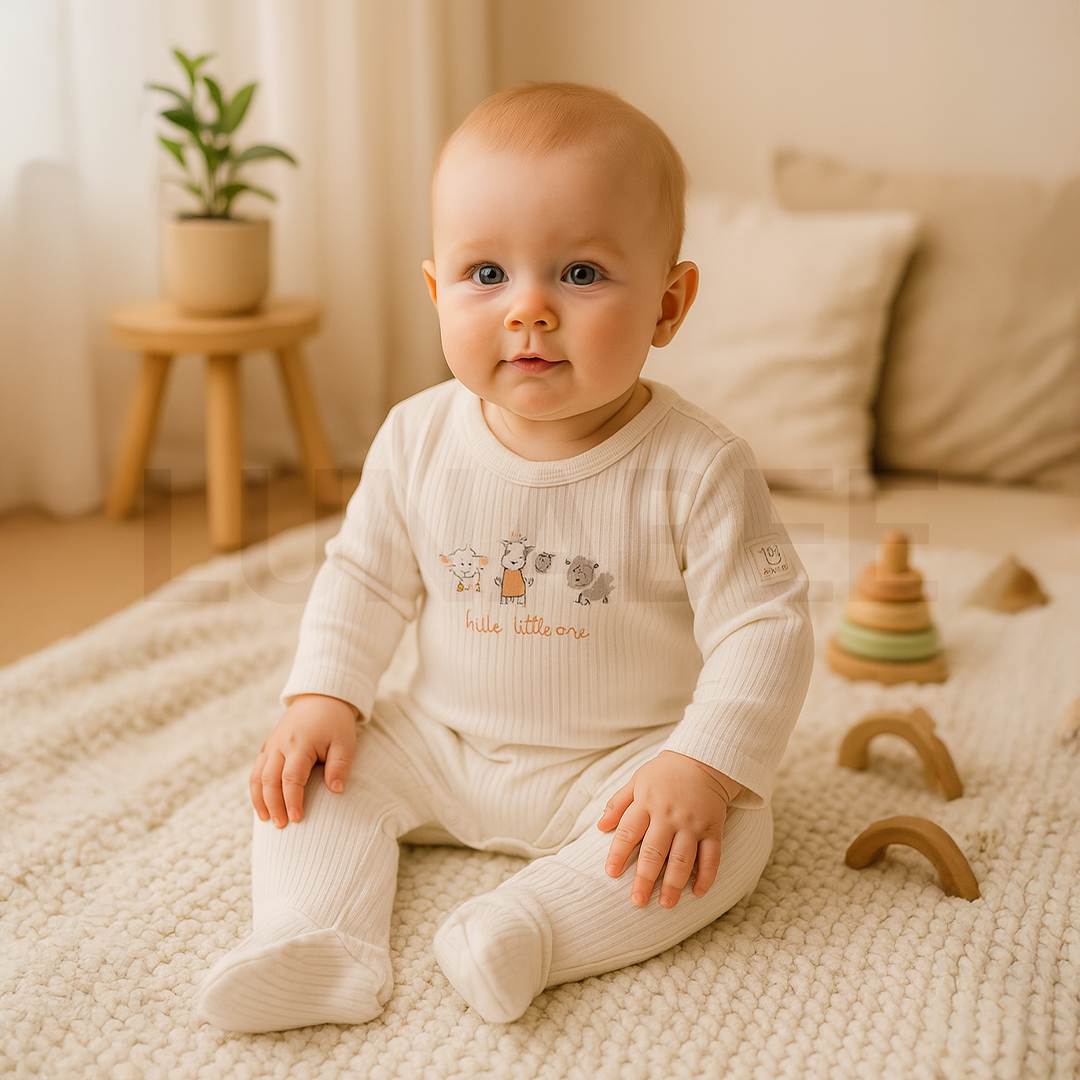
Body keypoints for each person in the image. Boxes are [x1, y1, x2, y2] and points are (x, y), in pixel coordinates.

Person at [197, 82, 814, 1033]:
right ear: (438, 290)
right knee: (308, 778)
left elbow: (764, 629)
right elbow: (362, 575)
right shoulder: (416, 438)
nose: (529, 311)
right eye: (488, 275)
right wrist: (325, 693)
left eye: (580, 274)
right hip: (439, 740)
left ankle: (528, 928)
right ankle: (313, 935)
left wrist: (701, 763)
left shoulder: (698, 465)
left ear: (669, 302)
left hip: (621, 764)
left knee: (730, 834)